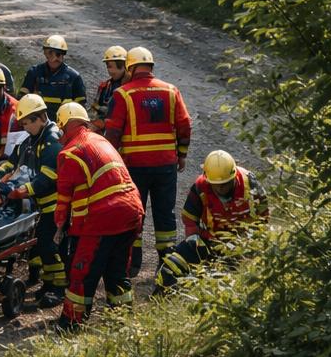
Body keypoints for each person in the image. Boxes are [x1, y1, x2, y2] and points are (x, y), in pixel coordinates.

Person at [103, 46, 192, 275]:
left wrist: (110, 164)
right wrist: (181, 154)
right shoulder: (171, 91)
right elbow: (184, 124)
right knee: (165, 215)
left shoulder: (122, 94)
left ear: (130, 68)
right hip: (165, 165)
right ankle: (168, 266)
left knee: (135, 214)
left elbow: (112, 133)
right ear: (151, 67)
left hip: (134, 166)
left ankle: (133, 265)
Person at [54, 101, 143, 328]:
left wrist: (60, 227)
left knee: (82, 271)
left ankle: (72, 322)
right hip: (132, 210)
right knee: (117, 270)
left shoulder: (70, 152)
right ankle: (121, 321)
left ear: (62, 126)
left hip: (105, 218)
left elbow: (64, 200)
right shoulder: (100, 140)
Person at [0, 93, 66, 306]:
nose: (25, 128)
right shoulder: (31, 140)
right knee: (42, 247)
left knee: (50, 247)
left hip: (54, 205)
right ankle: (47, 285)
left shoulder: (52, 142)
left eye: (28, 123)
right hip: (39, 206)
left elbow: (47, 179)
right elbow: (12, 162)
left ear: (40, 117)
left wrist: (22, 191)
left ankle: (58, 288)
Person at [155, 150, 269, 291]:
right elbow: (190, 219)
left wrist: (254, 244)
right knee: (171, 266)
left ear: (233, 177)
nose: (221, 188)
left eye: (225, 183)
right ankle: (161, 299)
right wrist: (193, 243)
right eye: (216, 184)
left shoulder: (249, 182)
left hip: (243, 245)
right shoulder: (200, 186)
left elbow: (263, 214)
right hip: (210, 243)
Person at [22, 34, 85, 118]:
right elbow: (22, 99)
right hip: (38, 122)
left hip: (64, 122)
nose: (54, 58)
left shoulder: (74, 77)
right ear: (45, 53)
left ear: (63, 54)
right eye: (50, 53)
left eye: (58, 54)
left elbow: (80, 107)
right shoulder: (34, 73)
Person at [90, 46, 129, 133]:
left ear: (124, 66)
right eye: (108, 67)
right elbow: (94, 111)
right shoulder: (104, 87)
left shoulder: (131, 88)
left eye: (111, 66)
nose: (110, 71)